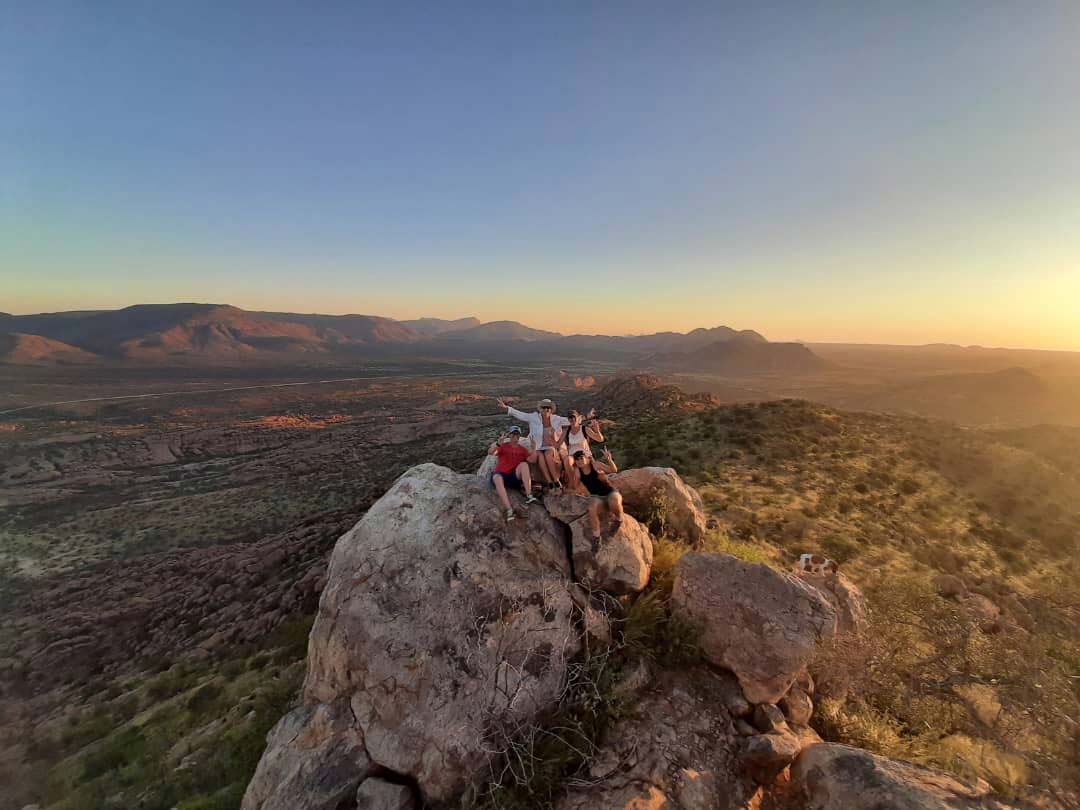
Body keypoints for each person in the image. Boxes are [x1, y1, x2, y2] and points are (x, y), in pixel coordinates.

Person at [496, 396, 570, 489]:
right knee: (540, 458)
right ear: (540, 409)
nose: (546, 409)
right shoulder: (533, 417)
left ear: (551, 410)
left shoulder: (556, 419)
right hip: (537, 446)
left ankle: (556, 480)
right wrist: (506, 408)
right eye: (544, 407)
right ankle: (549, 481)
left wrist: (588, 417)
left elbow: (572, 420)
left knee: (548, 455)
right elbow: (520, 414)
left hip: (550, 445)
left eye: (548, 408)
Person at [487, 426, 538, 521]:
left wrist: (534, 448)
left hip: (513, 477)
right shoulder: (504, 446)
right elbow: (490, 452)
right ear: (509, 435)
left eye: (517, 434)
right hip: (500, 474)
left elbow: (533, 460)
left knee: (524, 465)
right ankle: (509, 509)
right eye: (513, 433)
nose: (516, 436)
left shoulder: (522, 449)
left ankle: (529, 495)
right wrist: (498, 443)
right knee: (497, 477)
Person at [574, 447, 623, 540]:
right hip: (597, 497)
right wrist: (578, 493)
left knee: (614, 502)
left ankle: (619, 520)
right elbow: (575, 487)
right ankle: (597, 537)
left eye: (581, 458)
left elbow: (613, 470)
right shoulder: (577, 472)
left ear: (587, 458)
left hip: (610, 492)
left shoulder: (596, 465)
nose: (579, 461)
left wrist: (609, 460)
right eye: (577, 459)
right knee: (591, 509)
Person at [558, 409, 604, 490]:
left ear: (578, 418)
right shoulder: (566, 431)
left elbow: (600, 439)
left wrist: (597, 430)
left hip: (585, 456)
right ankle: (572, 482)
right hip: (573, 456)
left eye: (574, 417)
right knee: (567, 460)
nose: (572, 419)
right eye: (570, 418)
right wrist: (550, 437)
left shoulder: (584, 429)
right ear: (568, 419)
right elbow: (557, 444)